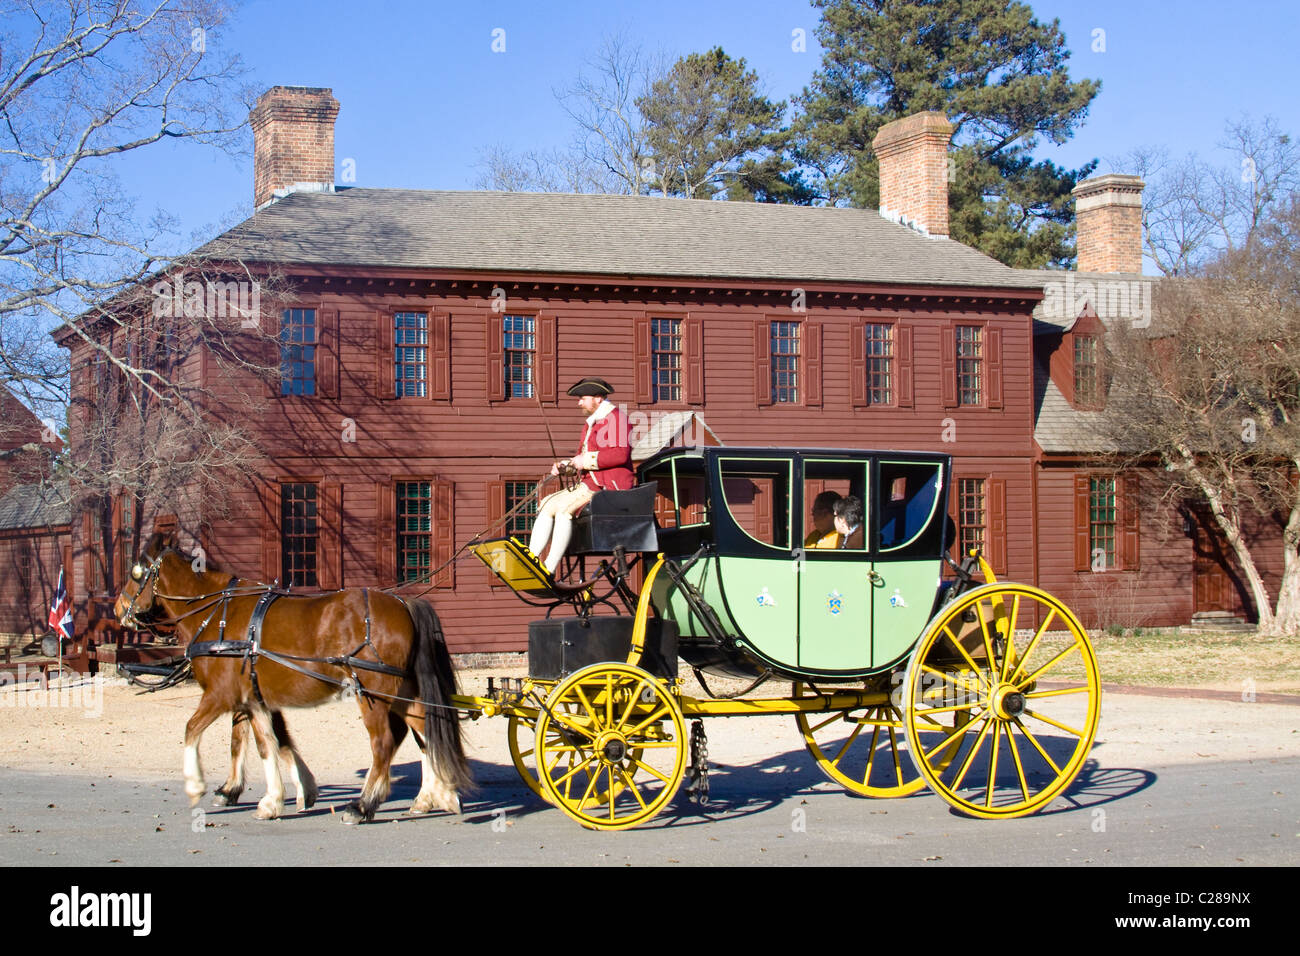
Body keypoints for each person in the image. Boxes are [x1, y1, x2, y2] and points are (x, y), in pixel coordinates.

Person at [528, 377, 634, 575]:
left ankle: (549, 568)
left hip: (609, 487)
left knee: (565, 510)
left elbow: (620, 454)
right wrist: (565, 466)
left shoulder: (617, 418)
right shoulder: (591, 423)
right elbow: (581, 459)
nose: (579, 403)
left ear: (598, 398)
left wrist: (583, 461)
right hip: (590, 483)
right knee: (547, 503)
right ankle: (532, 559)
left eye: (582, 398)